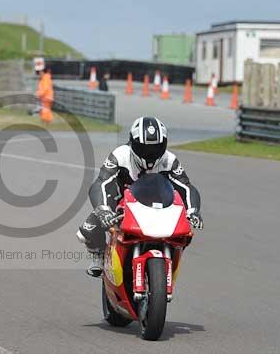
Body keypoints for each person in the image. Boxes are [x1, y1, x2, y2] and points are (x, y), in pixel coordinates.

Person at [77, 116, 203, 277]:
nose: (150, 154)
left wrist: (193, 210)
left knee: (184, 233)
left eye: (156, 148)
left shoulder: (169, 160)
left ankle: (169, 263)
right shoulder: (120, 155)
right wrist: (103, 209)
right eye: (144, 148)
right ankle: (100, 256)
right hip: (122, 205)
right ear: (133, 143)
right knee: (87, 230)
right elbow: (101, 182)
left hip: (159, 206)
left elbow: (186, 186)